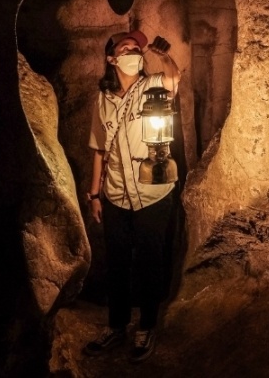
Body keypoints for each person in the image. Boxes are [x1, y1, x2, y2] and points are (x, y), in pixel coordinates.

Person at [82, 29, 181, 362]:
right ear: (112, 58)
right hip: (116, 194)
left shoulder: (153, 84)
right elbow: (98, 149)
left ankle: (147, 327)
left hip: (152, 192)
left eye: (136, 49)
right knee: (118, 263)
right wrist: (95, 195)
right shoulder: (103, 99)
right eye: (125, 48)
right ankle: (116, 325)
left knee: (151, 262)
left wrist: (164, 55)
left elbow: (173, 77)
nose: (132, 52)